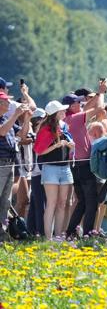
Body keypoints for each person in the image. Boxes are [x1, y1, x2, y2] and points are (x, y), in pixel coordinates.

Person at [62, 80, 107, 239]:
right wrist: (101, 93)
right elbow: (99, 109)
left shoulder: (68, 119)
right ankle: (88, 233)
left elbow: (89, 107)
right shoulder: (75, 119)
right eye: (77, 103)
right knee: (92, 202)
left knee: (82, 202)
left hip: (75, 165)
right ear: (70, 107)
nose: (80, 104)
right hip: (84, 164)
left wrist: (98, 93)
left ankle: (69, 232)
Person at [34, 100, 75, 240]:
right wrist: (56, 146)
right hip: (50, 168)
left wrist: (69, 146)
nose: (65, 112)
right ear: (55, 113)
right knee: (52, 203)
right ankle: (48, 237)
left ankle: (58, 236)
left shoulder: (62, 127)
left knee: (62, 203)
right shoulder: (45, 129)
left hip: (65, 167)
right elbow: (39, 151)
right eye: (62, 111)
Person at [0, 91, 31, 241]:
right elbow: (2, 131)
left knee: (5, 202)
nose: (9, 104)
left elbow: (22, 136)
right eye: (6, 102)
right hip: (0, 164)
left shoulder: (7, 118)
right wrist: (15, 115)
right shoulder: (7, 120)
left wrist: (26, 119)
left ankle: (2, 235)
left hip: (10, 164)